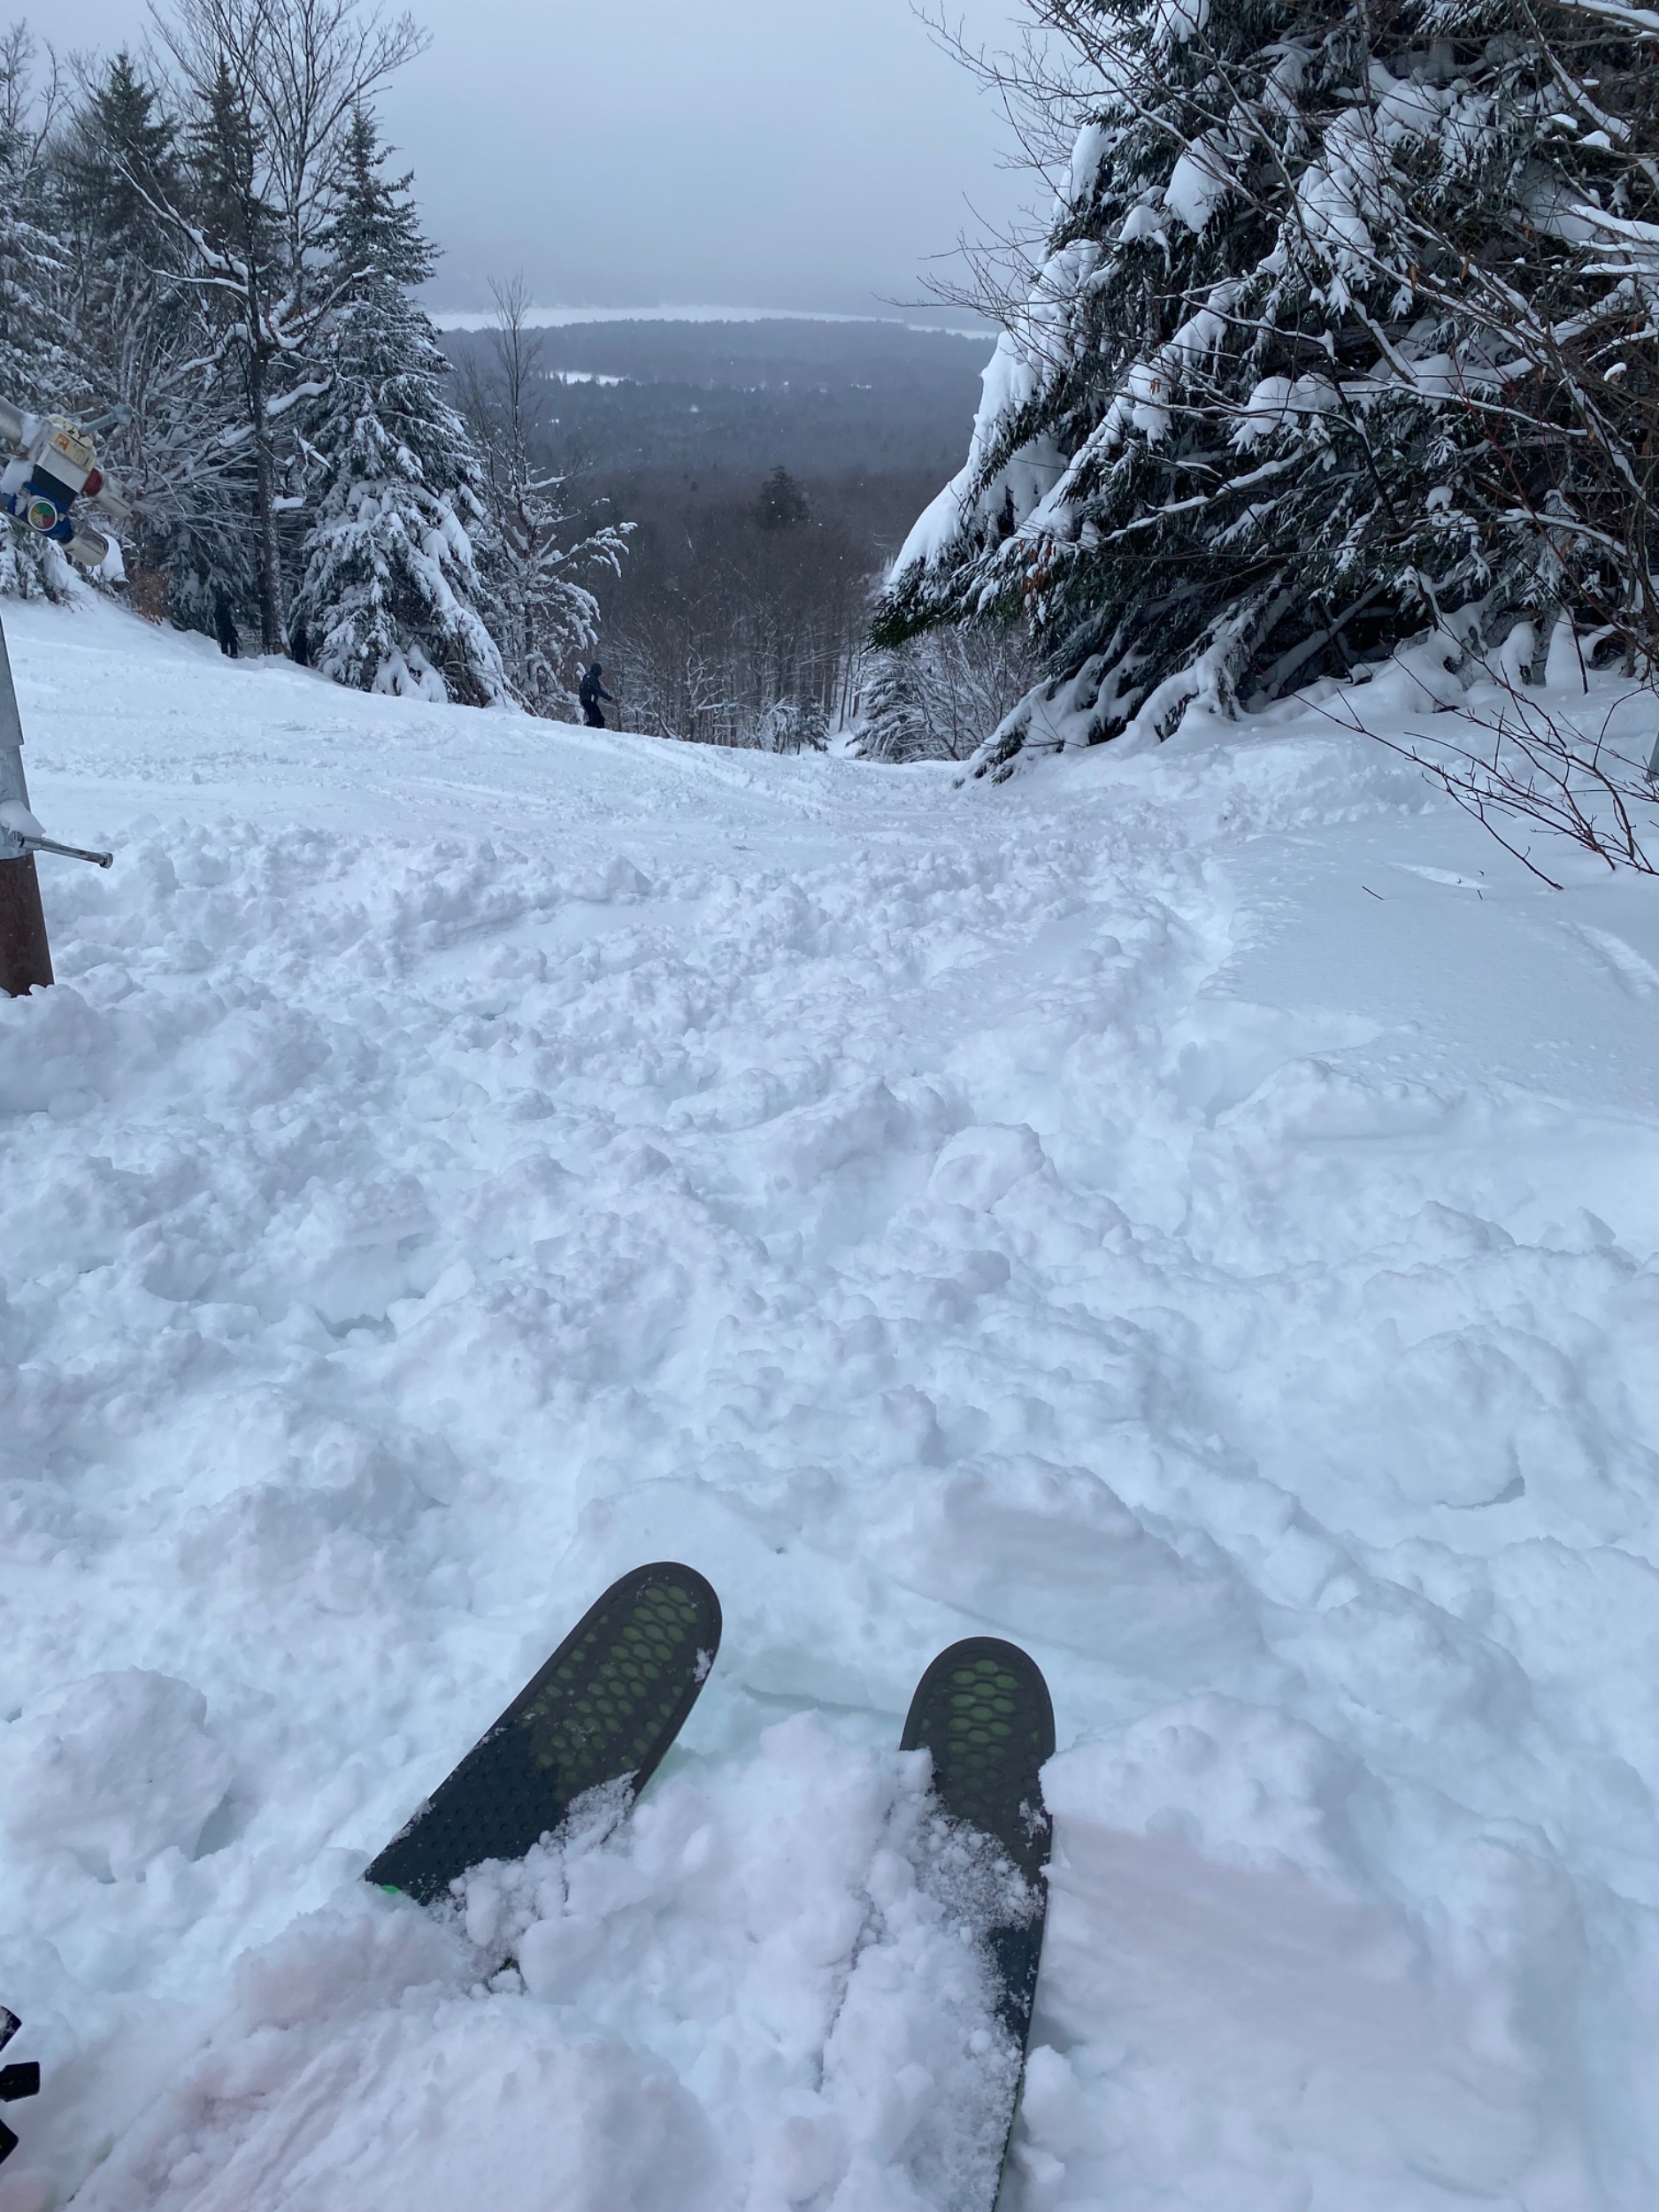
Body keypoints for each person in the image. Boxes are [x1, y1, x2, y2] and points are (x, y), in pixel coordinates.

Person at [579, 662, 615, 728]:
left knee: (595, 718)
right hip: (589, 701)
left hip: (585, 700)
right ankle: (593, 731)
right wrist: (610, 698)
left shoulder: (586, 676)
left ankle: (590, 729)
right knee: (598, 719)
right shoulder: (593, 678)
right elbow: (598, 691)